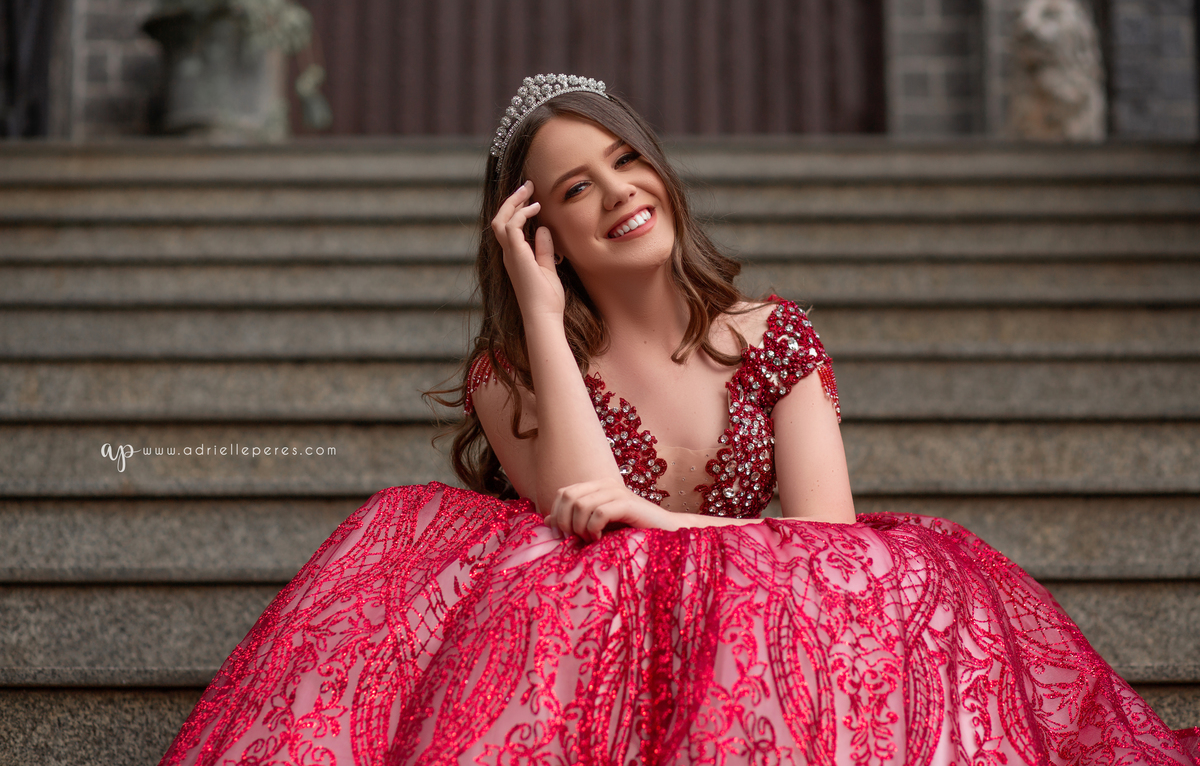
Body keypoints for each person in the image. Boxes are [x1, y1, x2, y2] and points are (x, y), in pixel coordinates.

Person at [159, 75, 1199, 766]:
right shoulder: (512, 370)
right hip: (594, 638)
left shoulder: (777, 334)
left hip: (750, 626)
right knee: (562, 571)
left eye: (625, 159)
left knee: (897, 570)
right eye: (576, 188)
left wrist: (665, 523)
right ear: (544, 229)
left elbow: (830, 553)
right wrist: (535, 312)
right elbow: (581, 514)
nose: (618, 192)